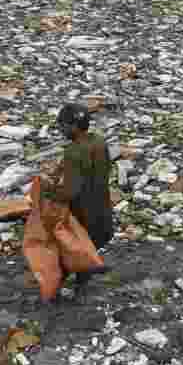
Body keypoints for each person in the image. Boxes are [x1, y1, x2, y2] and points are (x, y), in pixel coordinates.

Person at [38, 103, 114, 302]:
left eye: (61, 125)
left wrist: (48, 193)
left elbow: (70, 191)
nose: (60, 130)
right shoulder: (98, 141)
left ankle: (58, 290)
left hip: (83, 210)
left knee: (69, 248)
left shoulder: (74, 151)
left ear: (73, 126)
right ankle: (81, 283)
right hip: (101, 204)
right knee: (89, 245)